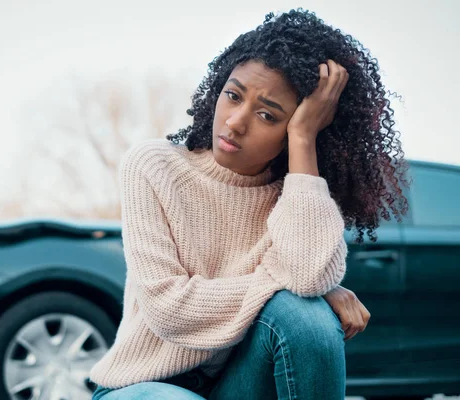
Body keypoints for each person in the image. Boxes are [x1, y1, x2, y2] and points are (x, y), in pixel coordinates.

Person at [89, 8, 409, 400]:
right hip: (143, 386)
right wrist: (296, 285)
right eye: (233, 95)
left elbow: (307, 278)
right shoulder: (155, 166)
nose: (236, 122)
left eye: (266, 115)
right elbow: (169, 308)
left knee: (307, 317)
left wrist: (304, 140)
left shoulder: (298, 196)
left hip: (238, 385)